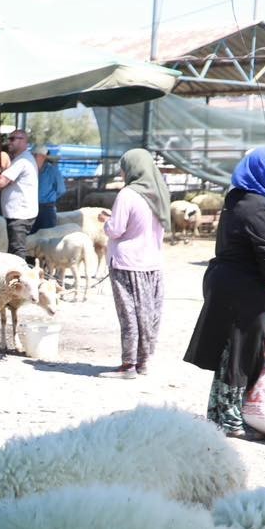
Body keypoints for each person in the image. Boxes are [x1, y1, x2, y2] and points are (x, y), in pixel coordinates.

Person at [183, 146, 265, 437]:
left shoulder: (245, 200)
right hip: (244, 290)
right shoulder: (256, 206)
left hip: (236, 286)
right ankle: (231, 418)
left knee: (235, 351)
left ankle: (222, 413)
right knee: (240, 352)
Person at [100, 148, 170, 378]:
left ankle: (128, 365)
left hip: (127, 263)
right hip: (152, 263)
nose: (121, 172)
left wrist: (105, 221)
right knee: (148, 313)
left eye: (123, 167)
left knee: (128, 314)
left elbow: (116, 229)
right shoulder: (160, 193)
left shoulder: (127, 195)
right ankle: (143, 362)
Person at [0, 129, 38, 264]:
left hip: (19, 214)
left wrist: (1, 176)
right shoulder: (21, 159)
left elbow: (1, 182)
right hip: (19, 212)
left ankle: (20, 281)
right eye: (9, 138)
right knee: (16, 249)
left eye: (13, 139)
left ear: (24, 141)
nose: (9, 142)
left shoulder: (23, 161)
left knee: (17, 251)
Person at [33, 144, 66, 231]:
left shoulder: (52, 170)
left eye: (35, 155)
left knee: (47, 237)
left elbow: (61, 190)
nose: (33, 157)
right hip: (31, 208)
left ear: (42, 157)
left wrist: (50, 198)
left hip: (47, 209)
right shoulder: (30, 170)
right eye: (33, 155)